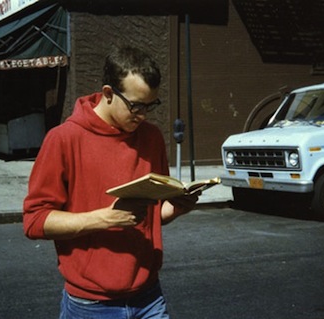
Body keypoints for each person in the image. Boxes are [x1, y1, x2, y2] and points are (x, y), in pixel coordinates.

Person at [23, 46, 200, 319]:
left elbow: (148, 216)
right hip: (91, 305)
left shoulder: (151, 138)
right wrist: (104, 219)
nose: (143, 115)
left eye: (150, 105)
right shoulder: (63, 139)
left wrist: (177, 207)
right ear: (108, 93)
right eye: (136, 106)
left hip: (149, 296)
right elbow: (35, 221)